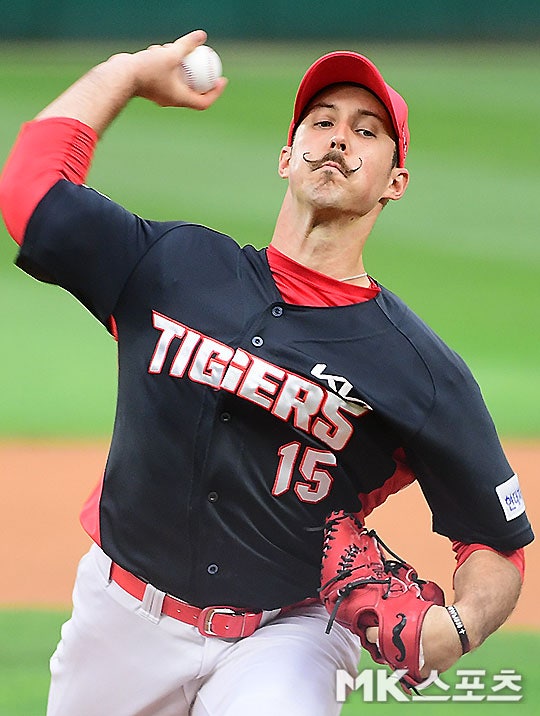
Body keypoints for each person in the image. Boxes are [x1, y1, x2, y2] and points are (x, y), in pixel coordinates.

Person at [0, 29, 533, 716]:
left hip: (288, 636)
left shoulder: (419, 368)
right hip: (120, 618)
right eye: (322, 122)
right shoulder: (172, 265)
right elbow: (31, 192)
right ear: (287, 157)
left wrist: (457, 628)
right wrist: (124, 74)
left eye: (366, 131)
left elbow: (496, 540)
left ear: (394, 182)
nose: (339, 140)